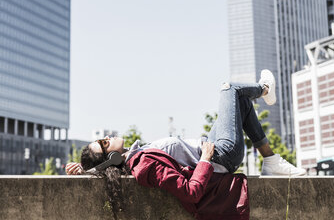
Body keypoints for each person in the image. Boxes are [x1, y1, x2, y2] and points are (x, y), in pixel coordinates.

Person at [66, 70, 305, 219]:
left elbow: (106, 170)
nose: (105, 139)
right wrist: (204, 160)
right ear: (113, 159)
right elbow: (190, 192)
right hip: (220, 156)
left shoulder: (137, 154)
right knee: (229, 89)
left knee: (241, 104)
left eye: (100, 140)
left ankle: (271, 161)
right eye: (104, 144)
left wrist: (85, 168)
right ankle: (264, 89)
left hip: (212, 148)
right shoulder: (144, 165)